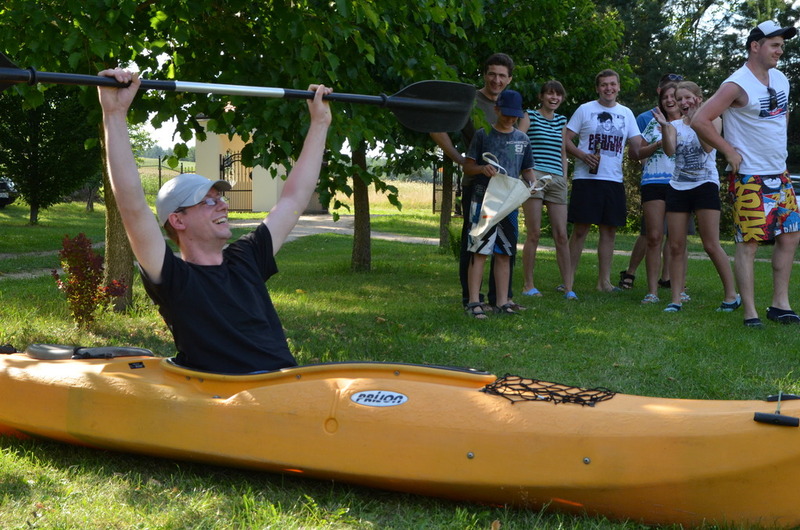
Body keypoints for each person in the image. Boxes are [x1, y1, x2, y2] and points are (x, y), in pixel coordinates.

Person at [98, 68, 332, 373]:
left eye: (220, 198)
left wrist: (320, 122)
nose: (222, 205)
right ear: (178, 220)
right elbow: (133, 206)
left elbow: (294, 198)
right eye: (208, 200)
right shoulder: (174, 278)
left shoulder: (247, 257)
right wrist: (114, 114)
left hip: (283, 386)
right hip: (224, 399)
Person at [692, 20, 800, 327]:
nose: (781, 50)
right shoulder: (736, 84)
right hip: (750, 176)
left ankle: (780, 305)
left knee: (791, 236)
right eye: (775, 45)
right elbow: (701, 119)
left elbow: (782, 116)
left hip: (779, 173)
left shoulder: (780, 78)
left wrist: (777, 151)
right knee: (749, 243)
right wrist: (728, 150)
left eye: (782, 45)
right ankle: (750, 312)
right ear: (756, 46)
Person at [430, 53, 525, 311]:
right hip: (478, 186)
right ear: (485, 74)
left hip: (507, 190)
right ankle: (472, 300)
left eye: (502, 76)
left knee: (505, 245)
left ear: (509, 79)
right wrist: (461, 160)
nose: (497, 80)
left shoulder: (514, 105)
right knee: (475, 245)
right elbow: (437, 127)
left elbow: (520, 143)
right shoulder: (470, 101)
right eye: (492, 74)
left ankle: (502, 300)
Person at [654, 81, 740, 313]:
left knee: (711, 245)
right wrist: (664, 127)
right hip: (678, 187)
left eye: (687, 98)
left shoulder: (714, 120)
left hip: (705, 185)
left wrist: (696, 121)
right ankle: (675, 300)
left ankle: (732, 296)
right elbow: (670, 151)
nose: (683, 103)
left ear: (699, 98)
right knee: (675, 245)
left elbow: (708, 147)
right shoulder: (672, 125)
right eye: (679, 99)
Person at [565, 69, 642, 292]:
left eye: (612, 84)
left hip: (613, 179)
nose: (608, 88)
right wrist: (582, 155)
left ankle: (604, 282)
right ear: (597, 88)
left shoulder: (626, 113)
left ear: (618, 87)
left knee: (609, 231)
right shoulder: (585, 109)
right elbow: (566, 138)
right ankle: (567, 280)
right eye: (603, 85)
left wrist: (660, 140)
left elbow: (637, 147)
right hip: (586, 178)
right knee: (580, 230)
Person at [462, 90, 536, 318]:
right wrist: (482, 169)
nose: (510, 119)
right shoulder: (483, 135)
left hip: (509, 204)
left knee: (505, 252)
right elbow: (468, 166)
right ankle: (474, 301)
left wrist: (534, 185)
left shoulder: (523, 140)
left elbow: (527, 170)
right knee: (480, 250)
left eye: (515, 115)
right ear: (496, 110)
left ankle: (502, 301)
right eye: (506, 114)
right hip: (483, 199)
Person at [620, 73, 684, 292]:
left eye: (673, 96)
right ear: (660, 96)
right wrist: (657, 143)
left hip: (681, 184)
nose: (669, 100)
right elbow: (635, 153)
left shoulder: (690, 123)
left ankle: (674, 285)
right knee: (653, 236)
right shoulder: (650, 122)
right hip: (654, 182)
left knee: (677, 240)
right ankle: (651, 291)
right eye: (665, 96)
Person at [518, 80, 575, 300]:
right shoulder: (529, 116)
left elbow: (562, 152)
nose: (554, 98)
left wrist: (564, 176)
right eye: (550, 94)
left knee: (561, 234)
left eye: (558, 95)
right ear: (541, 96)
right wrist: (526, 174)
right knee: (534, 233)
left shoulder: (562, 120)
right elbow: (519, 144)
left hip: (557, 178)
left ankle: (569, 287)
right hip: (534, 176)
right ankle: (528, 285)